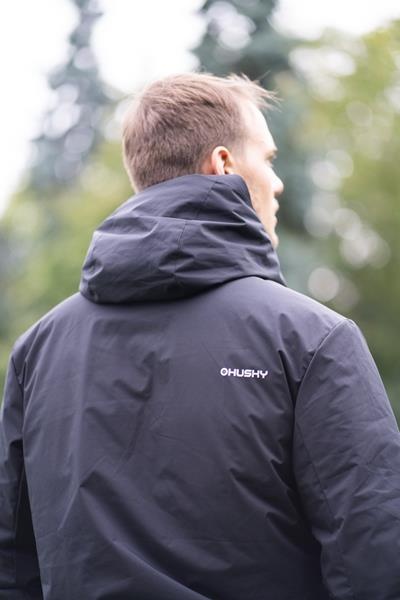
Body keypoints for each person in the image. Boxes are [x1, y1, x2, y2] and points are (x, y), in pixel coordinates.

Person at [0, 72, 399, 600]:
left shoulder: (37, 351)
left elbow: (12, 567)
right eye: (268, 159)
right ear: (224, 164)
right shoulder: (310, 340)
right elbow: (376, 562)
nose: (277, 182)